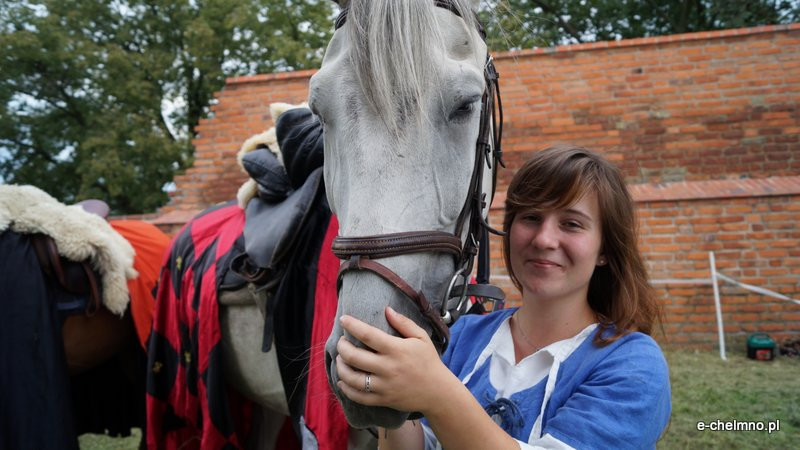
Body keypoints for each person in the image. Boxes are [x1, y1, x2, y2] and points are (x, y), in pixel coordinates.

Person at [334, 144, 671, 449]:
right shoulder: (463, 336)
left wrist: (436, 393)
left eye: (571, 224)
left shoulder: (633, 364)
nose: (544, 239)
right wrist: (390, 393)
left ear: (605, 250)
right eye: (531, 218)